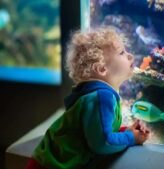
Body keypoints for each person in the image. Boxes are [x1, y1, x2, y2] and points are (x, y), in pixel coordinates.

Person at [25, 27, 150, 169]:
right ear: (102, 69)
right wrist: (131, 138)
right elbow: (103, 143)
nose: (130, 56)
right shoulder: (102, 97)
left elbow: (94, 130)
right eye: (122, 52)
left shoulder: (95, 94)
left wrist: (125, 131)